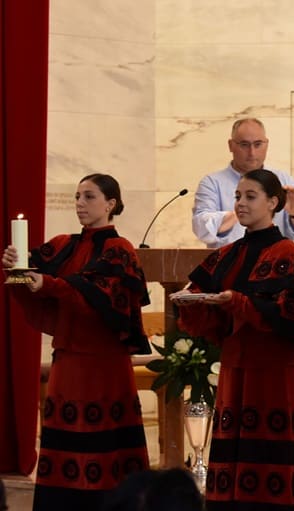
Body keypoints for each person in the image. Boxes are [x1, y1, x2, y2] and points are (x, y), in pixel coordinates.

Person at [172, 169, 294, 510]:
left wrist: (238, 302)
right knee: (233, 456)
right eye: (238, 196)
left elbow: (291, 314)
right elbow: (200, 291)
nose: (240, 203)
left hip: (274, 372)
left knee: (271, 456)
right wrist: (189, 300)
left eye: (250, 197)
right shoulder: (228, 253)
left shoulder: (288, 253)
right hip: (235, 368)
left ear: (273, 203)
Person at [2, 174, 151, 511]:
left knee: (105, 450)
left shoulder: (120, 249)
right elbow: (34, 277)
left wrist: (46, 283)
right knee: (63, 446)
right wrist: (17, 266)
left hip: (105, 364)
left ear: (110, 204)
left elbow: (95, 295)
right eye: (77, 197)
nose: (80, 204)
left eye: (89, 197)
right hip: (68, 360)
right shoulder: (62, 244)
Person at [192, 118, 294, 248]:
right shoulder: (212, 183)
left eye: (258, 144)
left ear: (266, 144)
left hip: (273, 262)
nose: (252, 152)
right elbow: (201, 227)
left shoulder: (283, 180)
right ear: (231, 145)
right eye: (244, 145)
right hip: (229, 264)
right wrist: (241, 212)